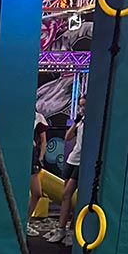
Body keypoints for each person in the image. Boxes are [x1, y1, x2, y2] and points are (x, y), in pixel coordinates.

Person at [45, 93, 85, 246]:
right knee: (65, 197)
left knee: (69, 194)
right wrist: (76, 121)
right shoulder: (80, 122)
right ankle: (62, 229)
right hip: (72, 159)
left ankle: (71, 230)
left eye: (84, 105)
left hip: (82, 162)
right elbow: (68, 137)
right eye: (80, 105)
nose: (82, 108)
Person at [27, 109, 50, 236]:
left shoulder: (38, 117)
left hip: (32, 158)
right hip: (18, 156)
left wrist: (40, 158)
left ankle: (26, 222)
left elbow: (43, 141)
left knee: (37, 193)